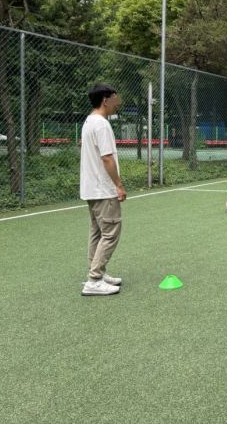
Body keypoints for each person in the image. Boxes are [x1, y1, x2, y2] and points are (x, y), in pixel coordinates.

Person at [79, 83, 126, 297]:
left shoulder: (89, 122)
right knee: (111, 232)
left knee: (97, 233)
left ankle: (97, 273)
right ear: (105, 100)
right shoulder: (102, 125)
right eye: (115, 98)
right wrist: (118, 184)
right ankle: (94, 279)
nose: (118, 103)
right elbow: (107, 158)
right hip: (103, 190)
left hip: (91, 189)